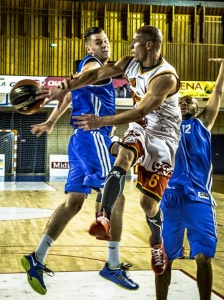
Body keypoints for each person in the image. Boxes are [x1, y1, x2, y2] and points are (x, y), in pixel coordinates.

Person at [37, 25, 182, 275]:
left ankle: (157, 242)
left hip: (163, 138)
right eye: (100, 42)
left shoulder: (165, 77)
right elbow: (93, 76)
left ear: (149, 45)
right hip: (138, 128)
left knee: (149, 204)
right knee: (122, 157)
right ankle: (103, 216)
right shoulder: (128, 62)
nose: (129, 45)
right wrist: (64, 87)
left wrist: (101, 121)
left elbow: (140, 110)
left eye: (135, 41)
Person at [21, 26, 139, 296]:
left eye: (107, 41)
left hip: (79, 141)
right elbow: (87, 77)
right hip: (93, 136)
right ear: (89, 48)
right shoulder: (93, 65)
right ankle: (112, 263)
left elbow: (70, 94)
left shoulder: (85, 71)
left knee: (73, 202)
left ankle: (36, 258)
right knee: (117, 195)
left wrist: (51, 122)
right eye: (99, 42)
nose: (105, 45)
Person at [155, 58, 224, 300]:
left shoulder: (203, 125)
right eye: (181, 102)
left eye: (190, 102)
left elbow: (217, 93)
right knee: (164, 256)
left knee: (203, 257)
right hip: (170, 198)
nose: (185, 103)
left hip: (199, 199)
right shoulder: (167, 126)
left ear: (197, 109)